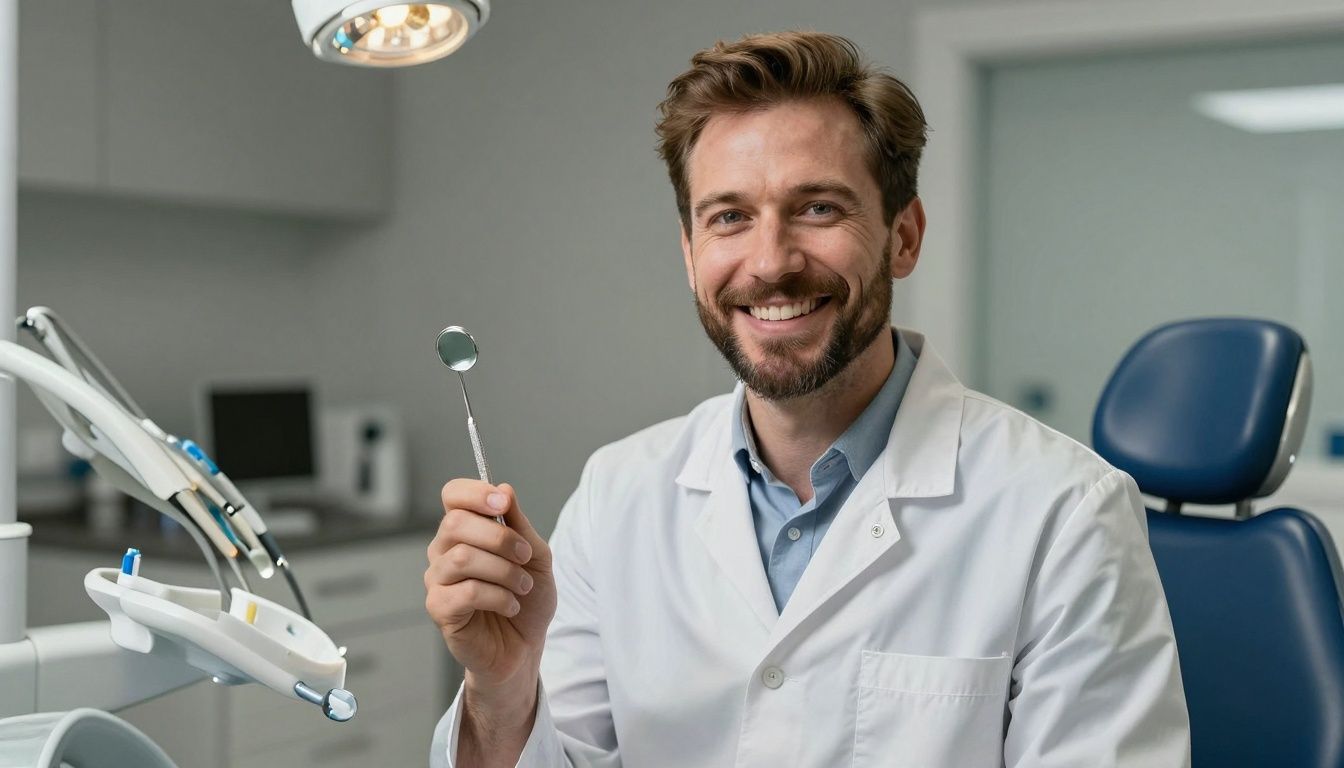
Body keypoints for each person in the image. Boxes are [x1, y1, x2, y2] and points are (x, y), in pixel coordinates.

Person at [425, 31, 1190, 768]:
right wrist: (503, 688)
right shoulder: (617, 494)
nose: (770, 263)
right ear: (690, 253)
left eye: (818, 208)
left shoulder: (1065, 511)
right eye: (729, 218)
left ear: (904, 236)